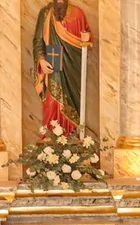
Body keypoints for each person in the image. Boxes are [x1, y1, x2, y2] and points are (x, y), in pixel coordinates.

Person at [32, 0, 93, 134]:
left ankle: (72, 136)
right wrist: (41, 60)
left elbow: (87, 37)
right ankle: (51, 136)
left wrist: (87, 37)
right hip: (52, 66)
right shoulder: (45, 14)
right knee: (51, 102)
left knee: (72, 101)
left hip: (72, 70)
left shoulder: (78, 14)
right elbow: (38, 40)